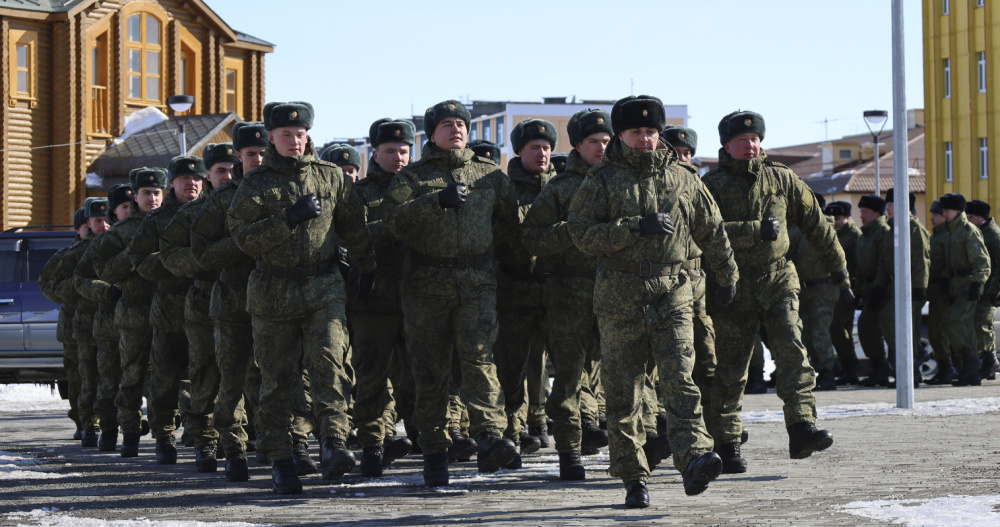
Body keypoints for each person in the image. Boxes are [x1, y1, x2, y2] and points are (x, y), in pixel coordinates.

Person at [568, 95, 739, 506]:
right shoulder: (601, 181)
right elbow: (581, 233)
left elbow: (712, 229)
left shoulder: (683, 178)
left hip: (673, 292)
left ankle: (694, 457)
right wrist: (632, 228)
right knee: (624, 392)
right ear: (620, 136)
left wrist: (727, 273)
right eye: (635, 132)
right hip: (620, 297)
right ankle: (632, 475)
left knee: (680, 378)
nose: (644, 139)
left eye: (650, 131)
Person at [228, 101, 376, 494]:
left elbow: (354, 227)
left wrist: (366, 266)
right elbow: (244, 239)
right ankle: (281, 459)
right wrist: (287, 218)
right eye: (286, 135)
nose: (295, 141)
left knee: (329, 363)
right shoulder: (255, 184)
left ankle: (333, 443)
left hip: (322, 286)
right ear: (271, 137)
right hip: (273, 292)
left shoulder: (330, 177)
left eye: (300, 134)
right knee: (277, 380)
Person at [381, 99, 519, 487]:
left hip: (476, 281)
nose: (455, 129)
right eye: (446, 124)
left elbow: (511, 225)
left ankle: (490, 436)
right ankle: (435, 452)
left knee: (479, 359)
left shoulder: (490, 175)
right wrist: (433, 202)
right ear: (431, 132)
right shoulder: (413, 177)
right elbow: (391, 222)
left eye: (461, 122)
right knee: (431, 370)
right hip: (426, 284)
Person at [702, 110, 842, 475]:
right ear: (726, 146)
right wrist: (752, 230)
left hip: (778, 278)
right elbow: (703, 233)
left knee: (792, 351)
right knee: (732, 367)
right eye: (742, 141)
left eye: (755, 139)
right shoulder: (711, 186)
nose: (750, 146)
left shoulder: (781, 179)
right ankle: (727, 443)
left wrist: (839, 267)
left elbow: (816, 222)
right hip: (732, 285)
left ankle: (801, 428)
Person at [521, 108, 613, 480]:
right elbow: (530, 237)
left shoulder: (622, 183)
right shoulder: (559, 188)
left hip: (615, 292)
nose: (602, 148)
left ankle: (629, 450)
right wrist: (571, 233)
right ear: (578, 145)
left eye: (607, 141)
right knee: (570, 379)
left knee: (619, 377)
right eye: (594, 142)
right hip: (569, 292)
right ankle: (570, 452)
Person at [191, 122, 275, 482]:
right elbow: (201, 252)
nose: (258, 159)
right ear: (240, 157)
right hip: (231, 303)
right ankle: (233, 448)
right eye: (251, 154)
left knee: (272, 378)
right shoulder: (222, 200)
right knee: (231, 380)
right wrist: (245, 243)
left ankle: (276, 444)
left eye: (263, 153)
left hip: (274, 302)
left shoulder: (280, 193)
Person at [160, 144, 239, 472]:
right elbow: (170, 254)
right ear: (210, 176)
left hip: (247, 300)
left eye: (233, 169)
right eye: (221, 170)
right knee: (204, 373)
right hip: (204, 300)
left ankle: (241, 442)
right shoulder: (193, 213)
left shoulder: (251, 206)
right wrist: (205, 260)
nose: (229, 176)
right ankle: (205, 441)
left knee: (245, 374)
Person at [348, 118, 417, 477]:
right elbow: (354, 238)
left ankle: (423, 437)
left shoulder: (421, 189)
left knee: (419, 377)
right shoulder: (358, 194)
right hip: (373, 301)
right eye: (390, 151)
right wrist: (398, 223)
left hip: (418, 299)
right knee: (372, 377)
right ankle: (373, 444)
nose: (398, 157)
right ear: (374, 153)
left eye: (404, 151)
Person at [129, 156, 205, 465]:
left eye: (197, 178)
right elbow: (138, 259)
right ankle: (164, 438)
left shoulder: (211, 212)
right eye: (184, 178)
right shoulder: (157, 221)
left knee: (205, 378)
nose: (192, 183)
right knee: (164, 380)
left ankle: (204, 438)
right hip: (169, 312)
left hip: (206, 308)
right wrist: (174, 261)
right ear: (171, 183)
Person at [494, 118, 559, 459]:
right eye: (535, 147)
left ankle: (540, 421)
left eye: (547, 148)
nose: (542, 154)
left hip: (552, 291)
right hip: (514, 290)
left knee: (548, 362)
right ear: (519, 151)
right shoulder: (504, 189)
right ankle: (512, 427)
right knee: (513, 364)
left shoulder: (560, 187)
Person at [91, 167, 166, 457]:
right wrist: (134, 254)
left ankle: (164, 436)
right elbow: (104, 269)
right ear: (135, 196)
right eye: (146, 193)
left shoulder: (172, 224)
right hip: (134, 314)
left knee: (165, 378)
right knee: (132, 377)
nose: (152, 198)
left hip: (170, 312)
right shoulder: (121, 233)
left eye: (157, 192)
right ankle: (131, 434)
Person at [74, 187, 132, 451]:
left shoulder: (149, 233)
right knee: (107, 380)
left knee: (152, 381)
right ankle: (106, 429)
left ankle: (154, 431)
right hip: (109, 324)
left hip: (148, 320)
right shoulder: (102, 244)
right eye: (123, 207)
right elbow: (80, 280)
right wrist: (106, 291)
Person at [786, 193, 850, 391]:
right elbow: (789, 255)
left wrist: (846, 287)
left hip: (825, 289)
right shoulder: (799, 230)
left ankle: (828, 373)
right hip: (805, 290)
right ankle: (821, 369)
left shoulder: (825, 229)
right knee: (805, 336)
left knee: (820, 334)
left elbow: (838, 258)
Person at [38, 207, 89, 440]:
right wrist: (71, 292)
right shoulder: (65, 256)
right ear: (78, 229)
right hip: (73, 327)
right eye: (86, 225)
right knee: (78, 376)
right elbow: (46, 283)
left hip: (106, 323)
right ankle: (82, 420)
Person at [878, 189, 930, 387]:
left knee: (904, 326)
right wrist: (879, 287)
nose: (888, 209)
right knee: (901, 326)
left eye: (891, 205)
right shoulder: (893, 229)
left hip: (912, 289)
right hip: (897, 287)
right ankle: (908, 371)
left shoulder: (912, 228)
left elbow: (921, 260)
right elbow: (885, 262)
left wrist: (919, 288)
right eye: (888, 205)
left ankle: (912, 366)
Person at [938, 193, 990, 386]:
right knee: (963, 326)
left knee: (956, 321)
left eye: (946, 210)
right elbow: (950, 261)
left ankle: (972, 362)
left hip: (968, 283)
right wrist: (945, 277)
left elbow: (982, 260)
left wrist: (977, 283)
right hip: (956, 284)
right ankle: (972, 373)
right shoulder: (951, 230)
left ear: (958, 211)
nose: (943, 214)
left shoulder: (968, 230)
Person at [853, 195, 893, 387]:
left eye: (865, 212)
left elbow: (883, 265)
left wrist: (878, 288)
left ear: (877, 214)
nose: (861, 216)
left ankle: (883, 368)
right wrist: (858, 291)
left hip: (881, 290)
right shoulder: (865, 236)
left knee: (871, 327)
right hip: (869, 289)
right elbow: (860, 267)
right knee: (866, 328)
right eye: (861, 212)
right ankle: (879, 367)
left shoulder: (883, 233)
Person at [825, 201, 863, 385]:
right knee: (838, 329)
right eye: (831, 218)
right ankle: (847, 367)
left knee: (838, 328)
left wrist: (856, 291)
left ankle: (850, 366)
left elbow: (858, 265)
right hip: (835, 291)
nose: (835, 222)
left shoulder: (854, 236)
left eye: (838, 218)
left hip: (849, 290)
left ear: (847, 218)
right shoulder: (835, 235)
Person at [963, 200, 1000, 381]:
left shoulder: (993, 236)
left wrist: (994, 292)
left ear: (981, 218)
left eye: (971, 217)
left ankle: (990, 361)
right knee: (978, 325)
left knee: (982, 325)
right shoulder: (979, 233)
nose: (968, 220)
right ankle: (988, 364)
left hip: (990, 290)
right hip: (982, 289)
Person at [925, 200, 954, 384]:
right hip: (934, 290)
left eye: (935, 215)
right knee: (935, 332)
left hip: (944, 290)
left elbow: (951, 262)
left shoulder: (948, 237)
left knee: (940, 331)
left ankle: (948, 368)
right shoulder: (934, 237)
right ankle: (945, 368)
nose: (932, 219)